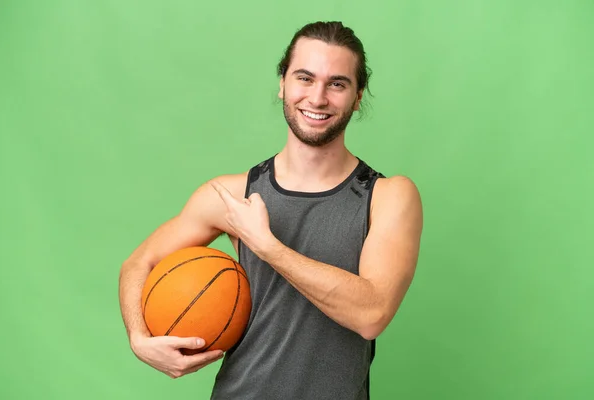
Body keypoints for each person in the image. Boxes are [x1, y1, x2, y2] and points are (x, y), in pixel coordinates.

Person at [119, 21, 423, 400]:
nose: (318, 98)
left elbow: (372, 314)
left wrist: (266, 245)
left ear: (358, 96)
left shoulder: (389, 196)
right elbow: (139, 263)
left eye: (337, 83)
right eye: (304, 78)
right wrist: (138, 338)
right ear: (283, 84)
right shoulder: (231, 194)